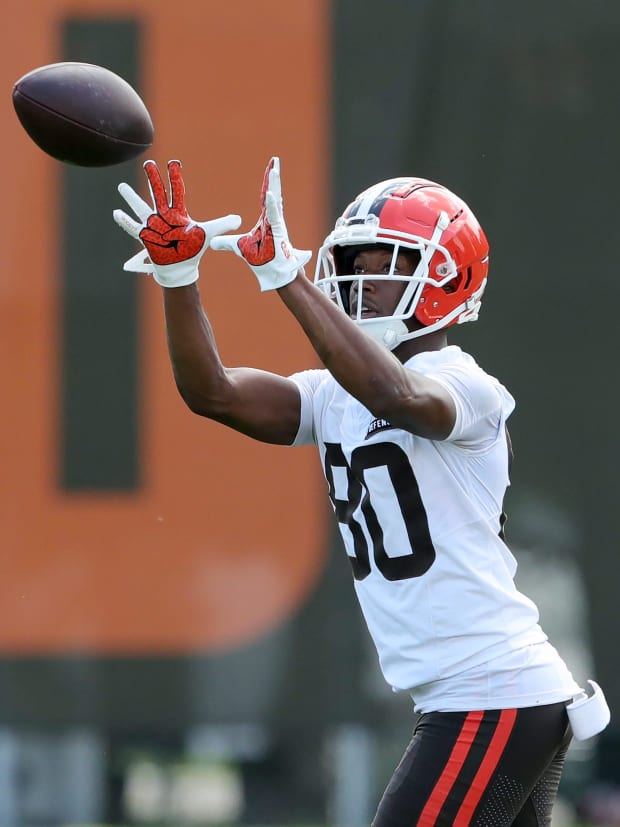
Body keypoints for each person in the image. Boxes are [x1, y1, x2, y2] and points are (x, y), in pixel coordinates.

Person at [113, 157, 608, 826]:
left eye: (387, 263)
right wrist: (179, 277)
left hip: (491, 691)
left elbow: (396, 394)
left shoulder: (467, 386)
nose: (363, 280)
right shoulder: (331, 396)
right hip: (485, 694)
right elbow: (215, 393)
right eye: (357, 261)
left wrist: (286, 278)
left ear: (445, 277)